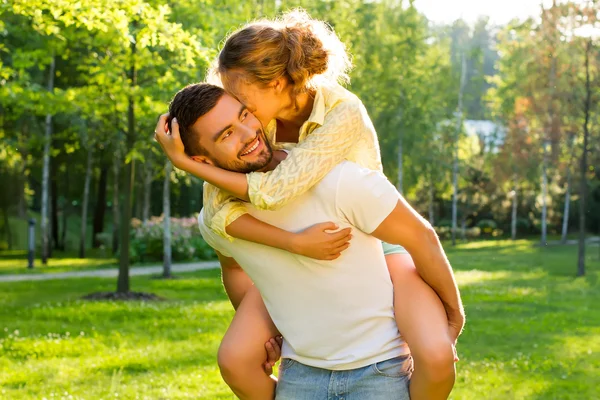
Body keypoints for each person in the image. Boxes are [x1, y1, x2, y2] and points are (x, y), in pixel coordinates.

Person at [155, 10, 465, 400]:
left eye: (240, 98)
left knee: (436, 353)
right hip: (295, 253)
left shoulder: (341, 112)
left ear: (278, 84)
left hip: (373, 236)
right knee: (235, 356)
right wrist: (275, 320)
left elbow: (275, 190)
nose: (235, 105)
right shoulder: (256, 122)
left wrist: (454, 315)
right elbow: (218, 214)